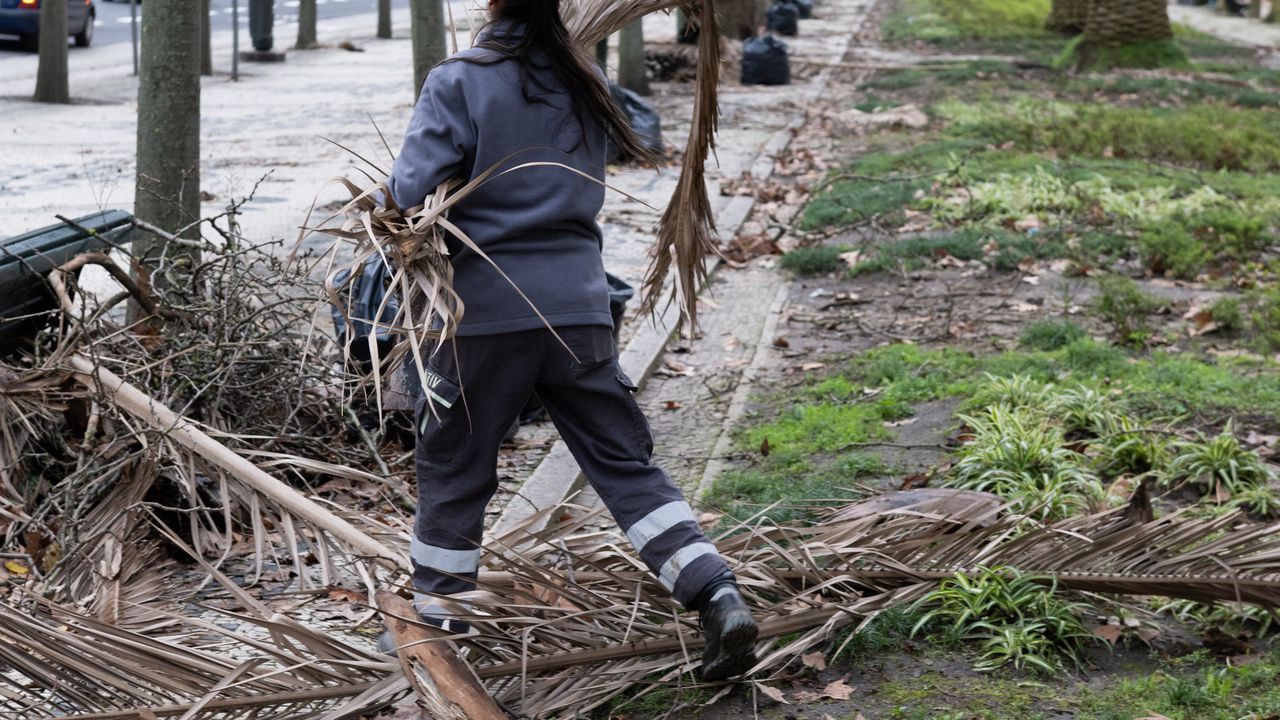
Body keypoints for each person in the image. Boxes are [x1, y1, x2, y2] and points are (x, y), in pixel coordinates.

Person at [379, 0, 758, 681]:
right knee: (623, 462)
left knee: (456, 465)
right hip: (580, 308)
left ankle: (438, 621)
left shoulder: (458, 79)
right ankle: (715, 591)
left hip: (483, 314)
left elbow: (409, 190)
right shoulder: (584, 78)